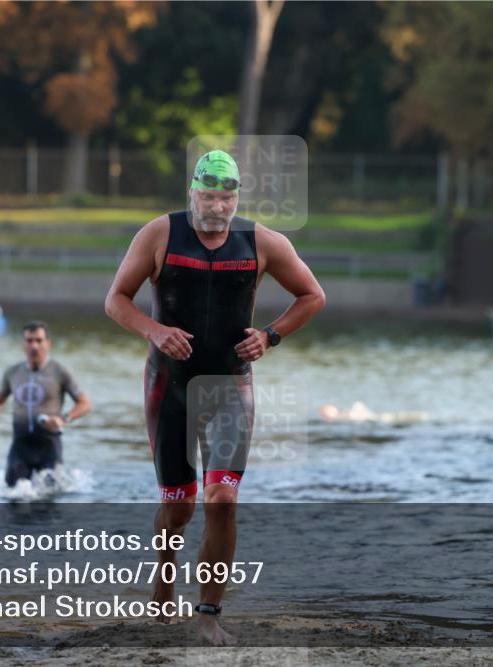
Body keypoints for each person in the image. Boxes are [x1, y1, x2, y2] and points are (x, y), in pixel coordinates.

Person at [104, 149, 326, 645]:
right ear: (192, 193)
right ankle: (164, 573)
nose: (217, 206)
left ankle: (208, 612)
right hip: (171, 386)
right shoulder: (160, 234)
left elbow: (312, 295)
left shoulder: (261, 241)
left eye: (226, 197)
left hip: (231, 385)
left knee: (222, 498)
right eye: (208, 195)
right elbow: (115, 299)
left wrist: (270, 336)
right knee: (179, 508)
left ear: (236, 198)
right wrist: (155, 331)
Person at [0, 321, 91, 487]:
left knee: (49, 500)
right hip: (20, 446)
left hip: (49, 446)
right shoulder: (13, 372)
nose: (34, 346)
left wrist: (64, 418)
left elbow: (84, 403)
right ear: (23, 344)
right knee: (14, 497)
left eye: (39, 340)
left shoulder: (59, 371)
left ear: (48, 343)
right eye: (29, 340)